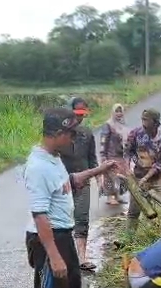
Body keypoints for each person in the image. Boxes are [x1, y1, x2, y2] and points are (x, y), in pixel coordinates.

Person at [24, 107, 118, 288]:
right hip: (47, 238)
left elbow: (71, 181)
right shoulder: (38, 167)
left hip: (63, 234)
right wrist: (53, 256)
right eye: (69, 134)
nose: (73, 140)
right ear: (55, 134)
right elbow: (39, 214)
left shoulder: (55, 159)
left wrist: (100, 169)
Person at [58, 97, 99, 272]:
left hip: (83, 182)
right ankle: (62, 256)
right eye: (77, 113)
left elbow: (92, 159)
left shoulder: (87, 134)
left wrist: (99, 178)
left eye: (83, 113)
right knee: (63, 220)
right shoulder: (60, 133)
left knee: (82, 218)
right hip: (63, 183)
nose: (80, 117)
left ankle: (82, 257)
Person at [123, 108, 161, 237]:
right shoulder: (136, 134)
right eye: (142, 119)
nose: (143, 123)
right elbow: (127, 152)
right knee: (134, 210)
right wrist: (127, 168)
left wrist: (146, 178)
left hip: (157, 178)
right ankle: (128, 238)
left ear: (156, 123)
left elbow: (160, 164)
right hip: (138, 175)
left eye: (146, 120)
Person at [98, 103, 129, 206]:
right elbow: (103, 140)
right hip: (110, 155)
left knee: (121, 177)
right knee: (110, 176)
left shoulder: (122, 124)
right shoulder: (108, 125)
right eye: (117, 111)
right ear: (113, 112)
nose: (119, 114)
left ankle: (117, 195)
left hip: (121, 156)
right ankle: (109, 197)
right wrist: (103, 156)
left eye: (121, 111)